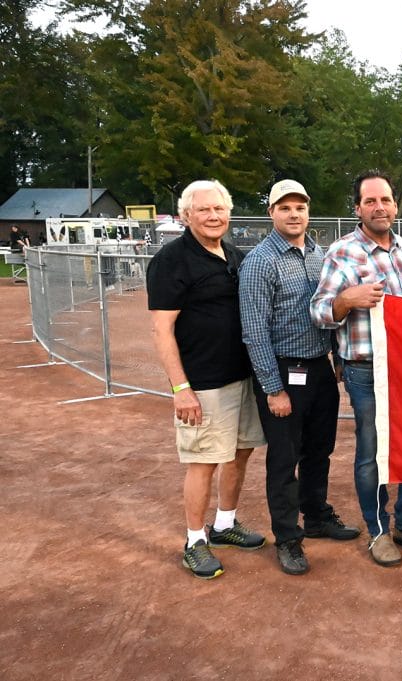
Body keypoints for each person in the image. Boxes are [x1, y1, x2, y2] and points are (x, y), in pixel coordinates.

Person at [310, 170, 402, 567]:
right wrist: (347, 299)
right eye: (370, 201)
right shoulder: (343, 252)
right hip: (365, 370)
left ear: (395, 206)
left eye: (385, 200)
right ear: (357, 209)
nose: (379, 207)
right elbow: (319, 311)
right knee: (371, 451)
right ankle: (378, 531)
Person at [238, 179, 360, 576]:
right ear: (271, 213)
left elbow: (329, 311)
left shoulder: (318, 255)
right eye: (285, 208)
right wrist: (273, 389)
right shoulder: (260, 262)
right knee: (284, 458)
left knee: (319, 450)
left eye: (300, 208)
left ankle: (317, 515)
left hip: (319, 367)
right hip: (282, 372)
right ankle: (288, 537)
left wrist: (337, 358)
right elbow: (254, 330)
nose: (294, 215)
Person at [147, 180, 266, 580]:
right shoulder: (172, 260)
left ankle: (225, 524)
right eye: (204, 210)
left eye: (219, 209)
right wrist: (181, 389)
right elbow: (162, 330)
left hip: (242, 378)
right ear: (186, 215)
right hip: (203, 385)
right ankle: (194, 541)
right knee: (204, 461)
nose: (213, 216)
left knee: (239, 453)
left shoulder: (234, 256)